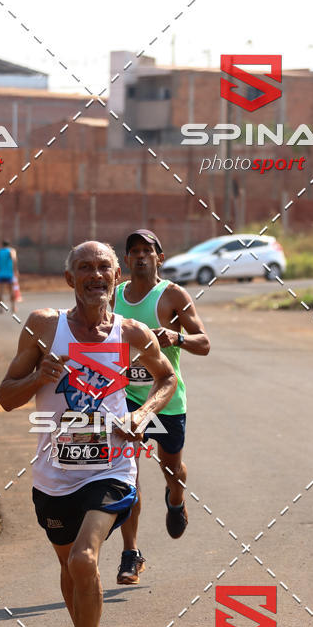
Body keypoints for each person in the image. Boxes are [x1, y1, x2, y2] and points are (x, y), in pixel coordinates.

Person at [0, 241, 176, 627]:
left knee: (84, 559)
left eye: (103, 267)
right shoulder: (43, 326)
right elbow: (6, 396)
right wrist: (38, 378)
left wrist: (143, 415)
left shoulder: (131, 332)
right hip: (54, 473)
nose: (95, 275)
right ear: (69, 278)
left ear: (117, 277)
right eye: (84, 267)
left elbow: (166, 379)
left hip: (111, 466)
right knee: (70, 571)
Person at [113, 229, 210, 585]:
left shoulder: (172, 295)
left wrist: (177, 337)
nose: (140, 256)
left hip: (166, 398)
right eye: (134, 251)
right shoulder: (114, 296)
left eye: (147, 250)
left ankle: (176, 497)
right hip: (125, 398)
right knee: (128, 475)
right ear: (126, 259)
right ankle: (131, 553)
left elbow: (204, 343)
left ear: (160, 257)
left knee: (171, 468)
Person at [0, 240, 19, 314]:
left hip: (1, 274)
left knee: (1, 292)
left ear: (2, 244)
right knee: (11, 290)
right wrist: (16, 270)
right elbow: (14, 259)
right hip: (9, 274)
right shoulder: (11, 250)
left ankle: (0, 308)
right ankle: (13, 307)